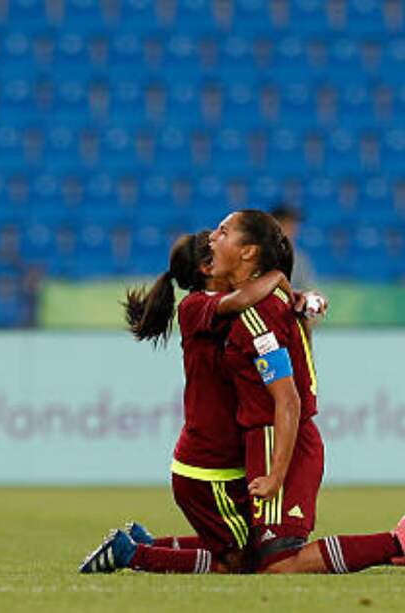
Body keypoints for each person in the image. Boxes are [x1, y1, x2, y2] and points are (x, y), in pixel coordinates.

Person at [80, 230, 293, 574]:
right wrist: (279, 276)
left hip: (220, 456)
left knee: (248, 546)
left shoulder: (220, 304)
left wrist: (298, 298)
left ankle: (146, 544)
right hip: (208, 465)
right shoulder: (196, 306)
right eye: (218, 246)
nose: (228, 249)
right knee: (239, 562)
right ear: (208, 268)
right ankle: (131, 555)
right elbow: (242, 300)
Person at [210, 210, 403, 573]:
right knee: (244, 553)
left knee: (276, 564)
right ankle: (136, 552)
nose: (211, 238)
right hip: (275, 439)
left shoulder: (258, 315)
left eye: (223, 232)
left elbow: (287, 399)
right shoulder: (277, 302)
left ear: (249, 252)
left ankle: (395, 543)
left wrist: (276, 475)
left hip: (279, 441)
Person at [270, 203, 316, 290]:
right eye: (288, 225)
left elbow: (307, 290)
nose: (294, 230)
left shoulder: (300, 259)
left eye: (294, 225)